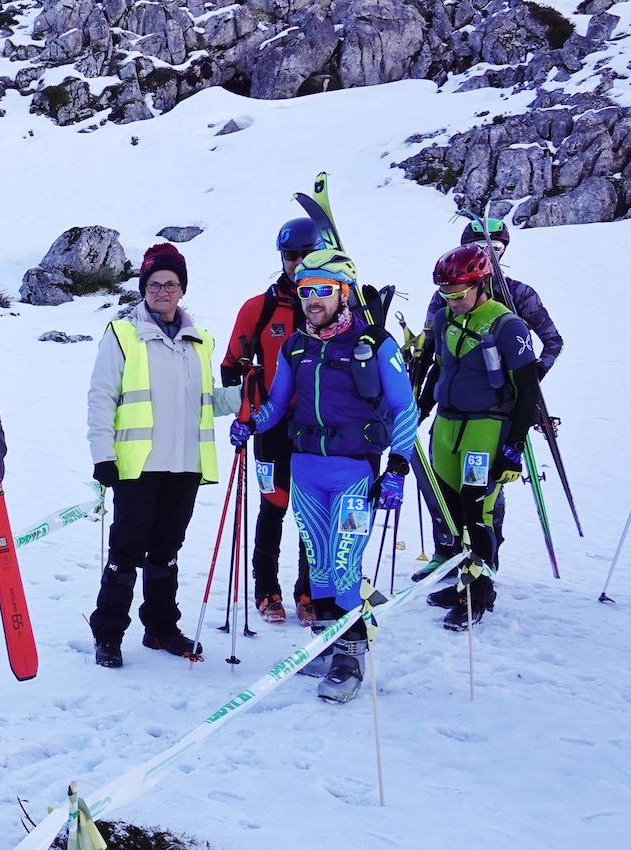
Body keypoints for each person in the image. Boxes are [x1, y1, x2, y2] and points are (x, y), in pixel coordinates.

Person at [229, 248, 417, 703]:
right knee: (319, 566)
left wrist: (397, 468)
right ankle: (329, 643)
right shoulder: (297, 345)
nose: (312, 298)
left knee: (345, 563)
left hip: (354, 472)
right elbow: (277, 404)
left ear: (344, 292)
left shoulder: (375, 344)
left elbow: (405, 408)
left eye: (323, 290)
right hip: (307, 469)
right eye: (306, 289)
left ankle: (351, 656)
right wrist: (251, 422)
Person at [87, 243, 241, 669]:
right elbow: (102, 397)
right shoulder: (123, 334)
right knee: (125, 552)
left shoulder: (200, 341)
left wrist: (250, 392)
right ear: (144, 288)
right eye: (154, 284)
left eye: (171, 284)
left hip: (185, 466)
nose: (162, 292)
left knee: (167, 551)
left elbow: (208, 401)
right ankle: (109, 634)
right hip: (137, 465)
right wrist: (103, 454)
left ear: (182, 289)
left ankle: (161, 627)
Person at [411, 217, 561, 580]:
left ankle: (482, 570)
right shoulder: (444, 298)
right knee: (445, 490)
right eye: (481, 247)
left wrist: (526, 377)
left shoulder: (517, 295)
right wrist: (419, 400)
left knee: (482, 498)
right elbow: (435, 354)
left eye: (497, 248)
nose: (489, 254)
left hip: (494, 414)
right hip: (451, 412)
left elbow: (551, 341)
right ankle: (448, 552)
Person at [416, 245, 539, 629]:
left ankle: (479, 593)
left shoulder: (506, 325)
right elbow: (437, 369)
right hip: (448, 423)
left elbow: (527, 389)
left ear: (479, 283)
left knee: (477, 510)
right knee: (451, 509)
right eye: (444, 293)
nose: (451, 301)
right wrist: (418, 411)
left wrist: (513, 447)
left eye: (457, 293)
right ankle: (461, 582)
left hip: (486, 425)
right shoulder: (442, 320)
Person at [220, 218, 320, 625]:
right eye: (290, 255)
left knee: (313, 512)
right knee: (273, 506)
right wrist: (252, 389)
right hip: (270, 426)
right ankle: (266, 591)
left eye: (305, 254)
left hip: (318, 427)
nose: (297, 262)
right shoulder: (259, 309)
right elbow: (231, 367)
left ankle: (309, 591)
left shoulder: (333, 305)